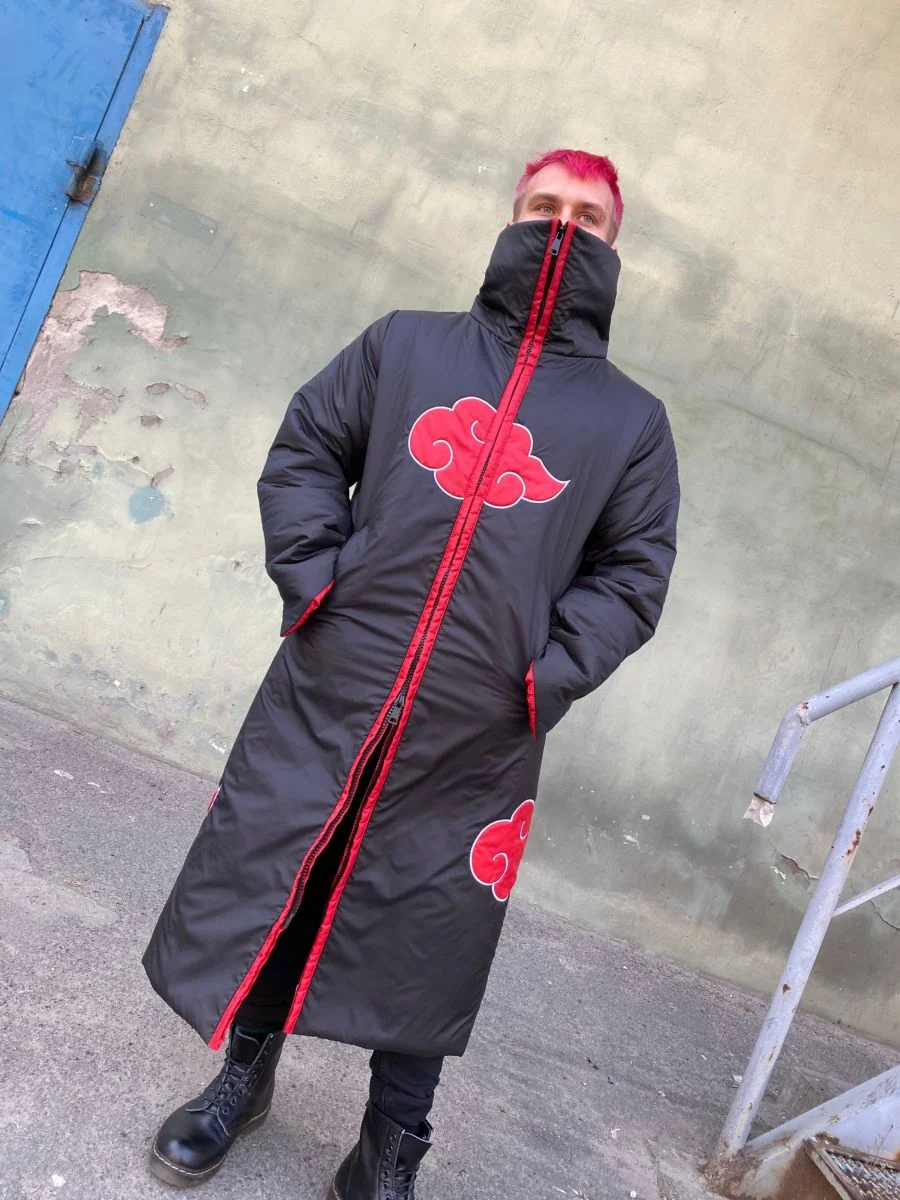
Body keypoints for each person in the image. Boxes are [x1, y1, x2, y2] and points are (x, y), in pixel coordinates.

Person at [143, 147, 680, 1197]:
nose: (562, 227)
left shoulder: (631, 423)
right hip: (337, 684)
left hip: (482, 724)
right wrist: (318, 584)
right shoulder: (405, 346)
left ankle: (389, 1153)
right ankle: (242, 1079)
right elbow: (307, 450)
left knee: (435, 928)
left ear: (615, 241)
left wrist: (544, 676)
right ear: (511, 216)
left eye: (587, 216)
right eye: (543, 205)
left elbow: (633, 574)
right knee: (291, 875)